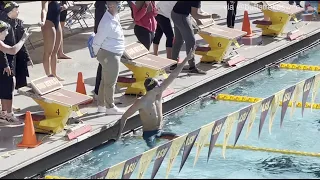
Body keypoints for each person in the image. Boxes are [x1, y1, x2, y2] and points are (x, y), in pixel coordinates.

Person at [116, 47, 195, 148]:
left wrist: (186, 59)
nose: (161, 85)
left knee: (182, 140)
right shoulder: (141, 102)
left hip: (160, 131)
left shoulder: (158, 94)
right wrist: (118, 136)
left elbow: (173, 75)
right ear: (152, 89)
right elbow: (124, 117)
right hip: (149, 135)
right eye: (158, 85)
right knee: (153, 150)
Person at [92, 1, 125, 115]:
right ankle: (110, 106)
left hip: (112, 53)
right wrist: (97, 53)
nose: (112, 7)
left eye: (115, 4)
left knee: (104, 81)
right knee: (111, 82)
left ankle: (101, 105)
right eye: (110, 5)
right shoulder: (106, 22)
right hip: (110, 55)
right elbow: (97, 40)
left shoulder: (115, 16)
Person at [171, 1, 219, 75]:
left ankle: (173, 65)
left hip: (175, 13)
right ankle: (192, 67)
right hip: (181, 16)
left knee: (179, 40)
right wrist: (210, 16)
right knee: (191, 42)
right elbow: (195, 15)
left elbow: (193, 10)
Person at [0, 20, 31, 124]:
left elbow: (2, 54)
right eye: (5, 31)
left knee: (4, 90)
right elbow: (12, 50)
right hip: (2, 72)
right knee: (9, 88)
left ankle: (4, 113)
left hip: (3, 69)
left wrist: (5, 64)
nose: (7, 33)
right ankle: (9, 114)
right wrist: (23, 38)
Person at [40, 1, 67, 81]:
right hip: (48, 22)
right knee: (48, 52)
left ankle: (54, 74)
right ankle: (48, 75)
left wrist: (62, 8)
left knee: (55, 51)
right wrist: (43, 20)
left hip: (57, 22)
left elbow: (55, 8)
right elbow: (44, 10)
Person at [93, 1, 107, 98]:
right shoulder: (102, 5)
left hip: (107, 39)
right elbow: (99, 26)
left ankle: (99, 91)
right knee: (103, 64)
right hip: (104, 40)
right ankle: (98, 91)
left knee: (104, 65)